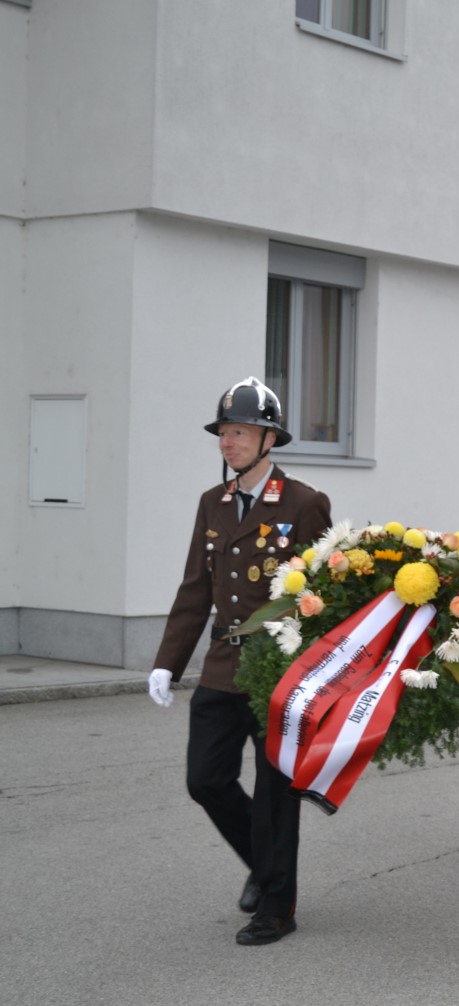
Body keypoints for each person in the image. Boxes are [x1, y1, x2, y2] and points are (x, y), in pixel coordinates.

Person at [148, 376, 333, 946]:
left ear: (268, 439)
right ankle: (265, 861)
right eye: (224, 433)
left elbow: (325, 595)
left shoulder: (303, 503)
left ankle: (276, 908)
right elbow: (195, 588)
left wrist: (318, 670)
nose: (228, 443)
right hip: (224, 664)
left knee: (276, 793)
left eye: (239, 433)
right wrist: (168, 661)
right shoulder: (214, 502)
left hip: (278, 668)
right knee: (205, 779)